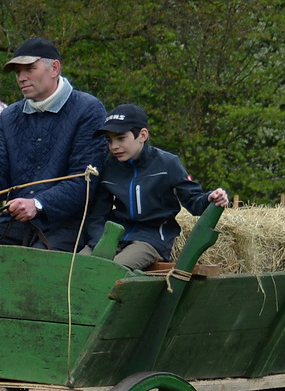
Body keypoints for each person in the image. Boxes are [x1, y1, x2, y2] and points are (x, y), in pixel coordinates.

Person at [0, 37, 108, 250]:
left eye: (30, 69)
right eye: (17, 72)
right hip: (16, 222)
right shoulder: (9, 116)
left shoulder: (88, 110)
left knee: (32, 272)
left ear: (54, 68)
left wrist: (38, 204)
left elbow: (84, 181)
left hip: (69, 225)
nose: (22, 78)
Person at [92, 104, 230, 272]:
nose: (114, 146)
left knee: (110, 271)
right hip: (114, 236)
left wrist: (209, 198)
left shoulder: (167, 164)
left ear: (142, 135)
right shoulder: (108, 168)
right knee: (77, 267)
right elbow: (97, 214)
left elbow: (194, 202)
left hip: (151, 239)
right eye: (109, 140)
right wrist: (98, 242)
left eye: (121, 138)